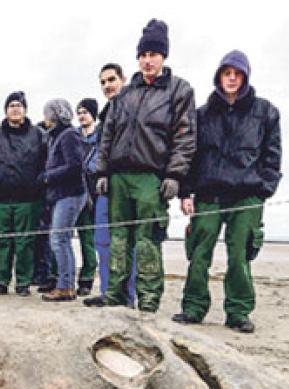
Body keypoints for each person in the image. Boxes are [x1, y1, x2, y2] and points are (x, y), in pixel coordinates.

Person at [173, 50, 281, 333]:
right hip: (209, 194)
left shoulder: (265, 111)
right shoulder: (202, 114)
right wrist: (185, 193)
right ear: (219, 77)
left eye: (237, 74)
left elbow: (272, 155)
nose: (231, 79)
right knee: (198, 254)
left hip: (247, 195)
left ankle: (238, 312)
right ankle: (193, 307)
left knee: (240, 256)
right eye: (226, 73)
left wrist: (264, 189)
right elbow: (190, 156)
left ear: (245, 77)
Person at [95, 19, 196, 312]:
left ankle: (148, 302)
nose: (147, 60)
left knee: (147, 241)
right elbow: (108, 135)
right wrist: (101, 172)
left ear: (163, 56)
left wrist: (175, 175)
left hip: (151, 178)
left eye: (153, 54)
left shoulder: (179, 90)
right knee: (118, 240)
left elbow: (185, 136)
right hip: (118, 178)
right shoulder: (124, 95)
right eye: (143, 55)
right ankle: (115, 299)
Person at [0, 91, 48, 296]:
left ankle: (23, 282)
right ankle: (1, 281)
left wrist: (39, 184)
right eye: (11, 105)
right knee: (2, 242)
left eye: (19, 105)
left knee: (25, 243)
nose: (15, 109)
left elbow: (47, 162)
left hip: (28, 199)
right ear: (5, 110)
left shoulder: (38, 135)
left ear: (25, 110)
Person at [84, 64, 139, 308]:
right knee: (102, 240)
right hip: (105, 184)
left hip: (129, 183)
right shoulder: (106, 113)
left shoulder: (135, 106)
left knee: (128, 242)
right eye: (103, 82)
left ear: (123, 80)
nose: (107, 85)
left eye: (112, 80)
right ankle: (109, 292)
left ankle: (128, 296)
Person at [38, 99, 84, 301]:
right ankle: (64, 283)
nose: (44, 119)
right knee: (59, 239)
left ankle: (66, 286)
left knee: (60, 240)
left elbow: (75, 166)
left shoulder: (68, 135)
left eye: (47, 114)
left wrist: (49, 176)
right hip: (61, 194)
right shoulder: (57, 136)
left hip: (70, 194)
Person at [74, 98, 99, 296]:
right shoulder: (73, 136)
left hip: (93, 190)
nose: (82, 115)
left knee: (88, 238)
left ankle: (87, 278)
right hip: (73, 189)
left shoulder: (101, 137)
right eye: (79, 112)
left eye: (85, 112)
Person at [33, 102, 58, 294]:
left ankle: (50, 275)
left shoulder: (57, 140)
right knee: (42, 237)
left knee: (50, 238)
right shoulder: (44, 141)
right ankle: (43, 274)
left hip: (50, 192)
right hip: (40, 192)